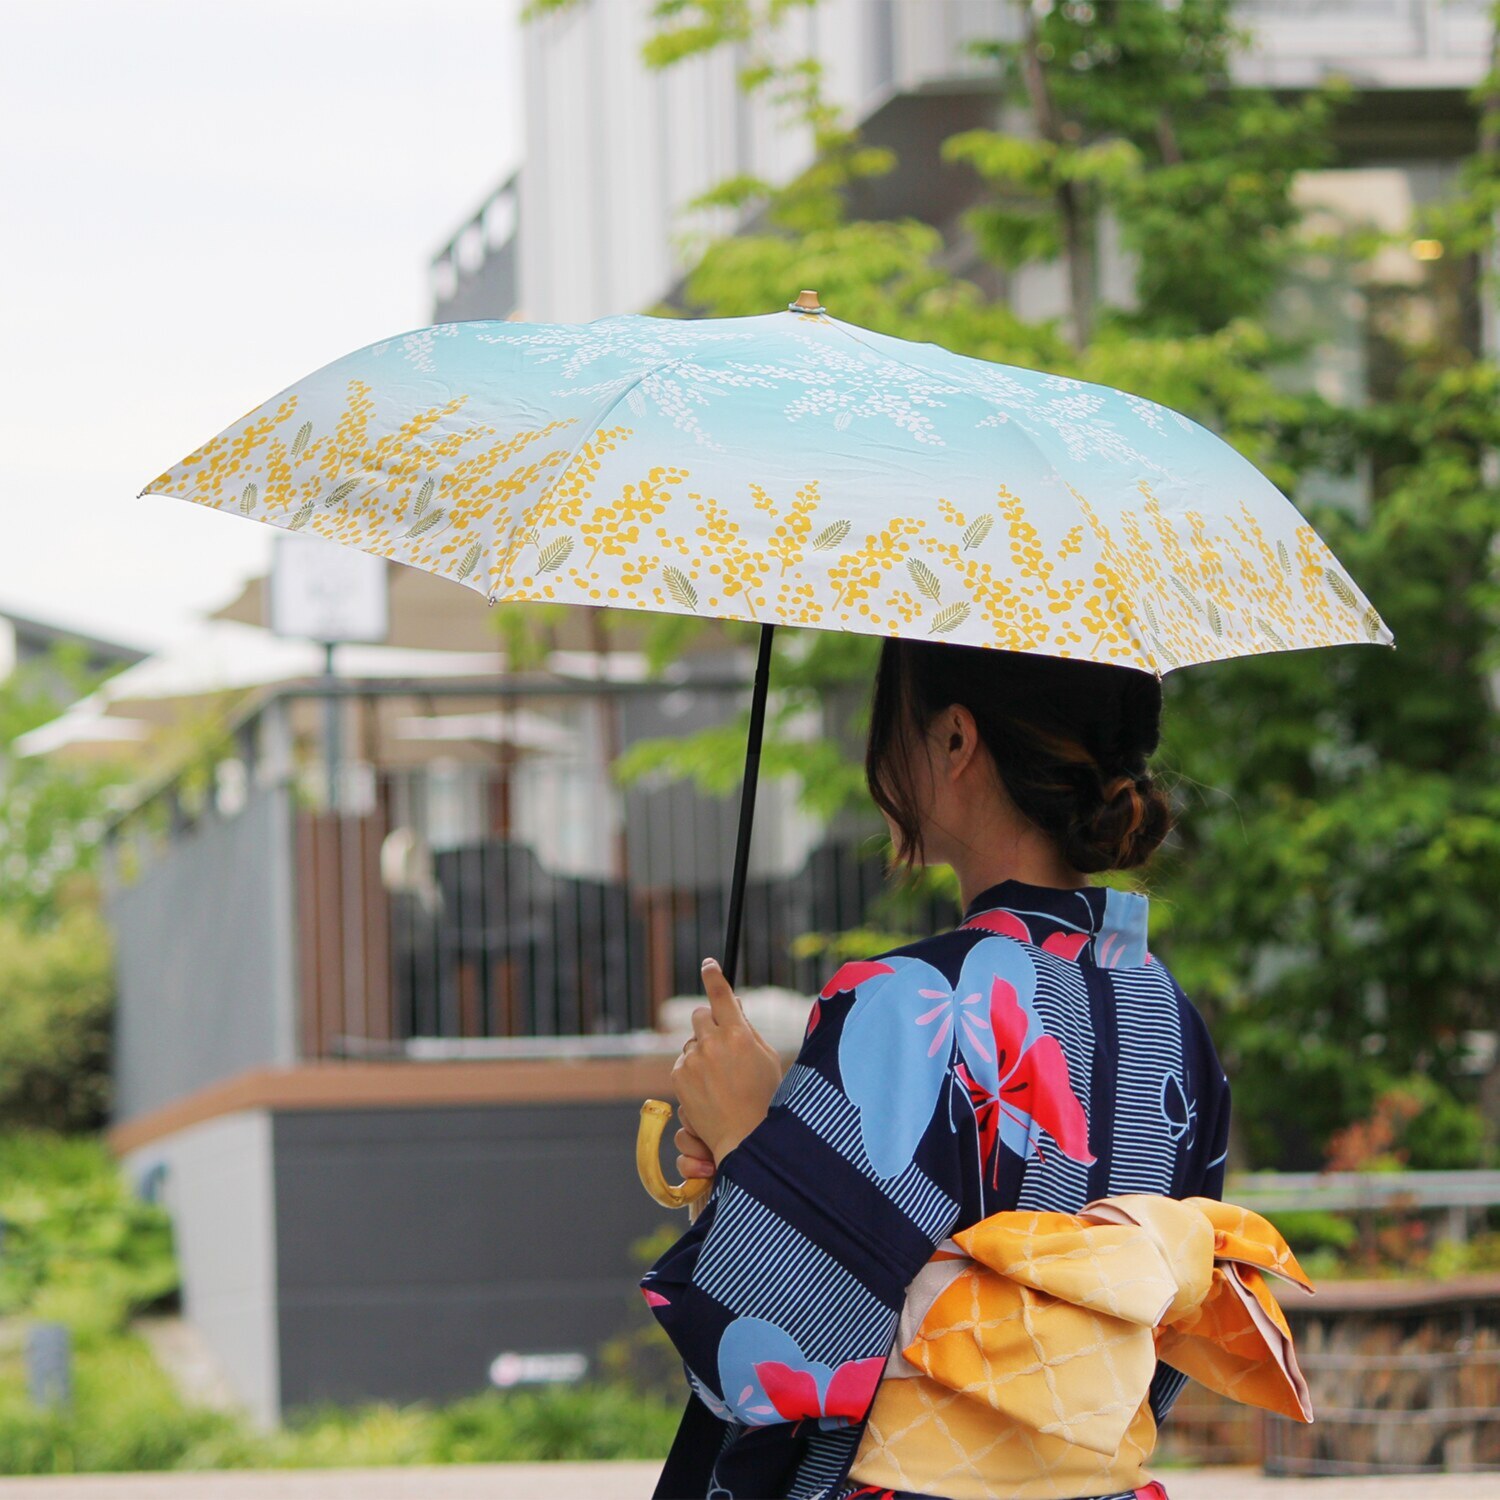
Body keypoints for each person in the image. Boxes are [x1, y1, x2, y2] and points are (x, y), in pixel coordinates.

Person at [639, 638, 1237, 1500]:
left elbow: (780, 1349)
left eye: (888, 722)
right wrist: (774, 1151)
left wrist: (743, 1145)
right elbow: (1168, 1337)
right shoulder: (1167, 1015)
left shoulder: (909, 999)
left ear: (956, 741)